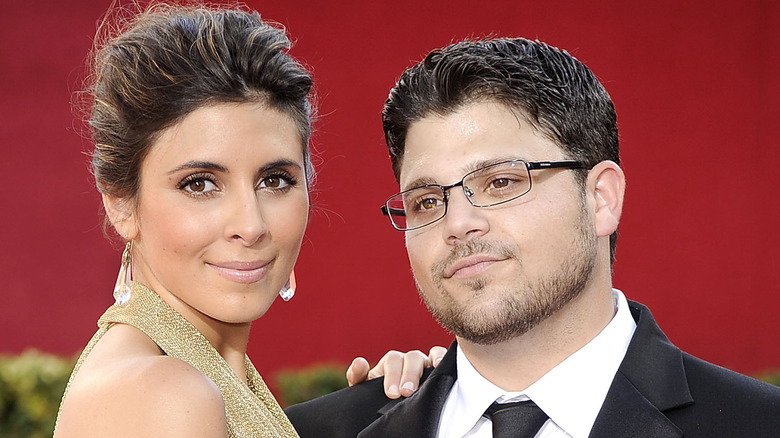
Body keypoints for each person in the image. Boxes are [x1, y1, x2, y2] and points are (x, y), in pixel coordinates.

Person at [285, 37, 780, 437]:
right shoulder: (315, 432)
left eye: (501, 182)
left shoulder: (758, 423)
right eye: (428, 201)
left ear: (601, 198)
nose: (458, 224)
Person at [53, 4, 436, 437]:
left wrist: (406, 414)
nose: (251, 225)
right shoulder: (165, 393)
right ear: (121, 203)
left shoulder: (198, 374)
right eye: (199, 184)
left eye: (274, 180)